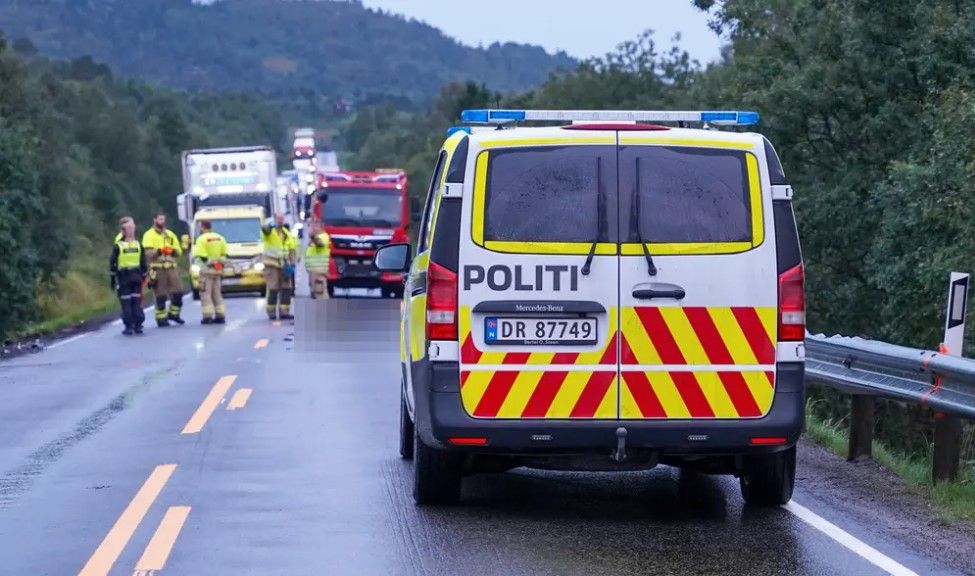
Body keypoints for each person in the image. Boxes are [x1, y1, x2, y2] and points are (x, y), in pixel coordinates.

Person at [142, 212, 185, 327]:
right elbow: (147, 253)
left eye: (163, 219)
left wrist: (172, 251)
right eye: (160, 219)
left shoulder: (170, 234)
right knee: (160, 295)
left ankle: (174, 314)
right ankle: (161, 318)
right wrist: (159, 251)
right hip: (158, 269)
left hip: (171, 268)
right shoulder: (149, 235)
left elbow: (179, 251)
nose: (162, 221)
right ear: (154, 220)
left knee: (178, 293)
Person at [110, 217, 148, 336]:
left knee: (126, 302)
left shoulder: (119, 245)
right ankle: (138, 324)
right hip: (136, 276)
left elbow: (112, 263)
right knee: (136, 302)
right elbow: (143, 263)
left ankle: (129, 326)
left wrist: (112, 279)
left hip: (124, 277)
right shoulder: (138, 244)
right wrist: (144, 276)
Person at [261, 213, 297, 320]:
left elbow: (291, 249)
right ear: (275, 219)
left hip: (284, 265)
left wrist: (292, 263)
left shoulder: (286, 233)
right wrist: (271, 224)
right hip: (271, 264)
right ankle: (271, 312)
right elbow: (264, 229)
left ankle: (284, 311)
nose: (280, 221)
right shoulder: (269, 231)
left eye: (282, 219)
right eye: (278, 219)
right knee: (273, 288)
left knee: (287, 288)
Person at [193, 220, 228, 324]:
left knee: (205, 294)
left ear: (202, 227)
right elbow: (224, 254)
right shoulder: (220, 238)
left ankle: (207, 317)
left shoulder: (201, 239)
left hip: (206, 271)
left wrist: (210, 263)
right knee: (217, 294)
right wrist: (218, 263)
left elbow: (202, 256)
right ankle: (220, 316)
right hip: (217, 271)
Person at [305, 223, 331, 299]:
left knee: (320, 292)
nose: (312, 229)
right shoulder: (315, 238)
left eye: (315, 227)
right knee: (315, 293)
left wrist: (313, 237)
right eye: (312, 227)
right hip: (313, 270)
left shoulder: (324, 236)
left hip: (319, 270)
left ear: (321, 228)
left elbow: (320, 243)